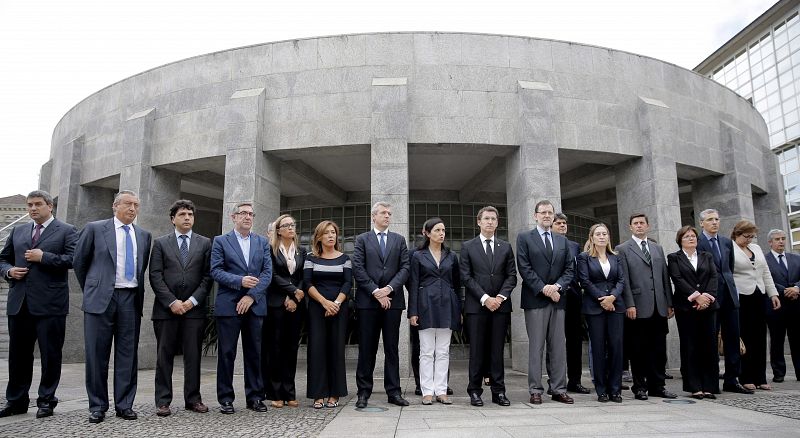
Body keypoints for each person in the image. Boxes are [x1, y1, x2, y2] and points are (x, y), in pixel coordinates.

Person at [73, 190, 152, 423]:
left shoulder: (144, 235)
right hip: (100, 300)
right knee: (97, 355)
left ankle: (124, 404)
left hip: (130, 298)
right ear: (115, 206)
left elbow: (142, 266)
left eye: (136, 205)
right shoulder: (95, 229)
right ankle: (97, 406)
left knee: (128, 355)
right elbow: (80, 262)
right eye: (128, 204)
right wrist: (93, 287)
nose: (133, 209)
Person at [0, 190, 77, 418]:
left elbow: (74, 259)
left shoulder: (67, 230)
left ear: (49, 206)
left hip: (50, 305)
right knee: (18, 356)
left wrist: (44, 257)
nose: (33, 208)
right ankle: (16, 401)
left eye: (37, 204)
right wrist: (9, 271)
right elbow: (2, 259)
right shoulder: (19, 230)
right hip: (20, 303)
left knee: (50, 355)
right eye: (30, 205)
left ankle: (46, 401)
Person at [148, 200, 212, 416]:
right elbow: (155, 275)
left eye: (190, 214)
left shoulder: (205, 243)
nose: (187, 218)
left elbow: (207, 277)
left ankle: (193, 399)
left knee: (193, 356)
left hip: (194, 310)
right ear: (172, 218)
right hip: (166, 310)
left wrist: (191, 301)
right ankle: (163, 401)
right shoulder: (160, 243)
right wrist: (172, 302)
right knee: (164, 355)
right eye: (183, 214)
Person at [210, 202, 271, 414]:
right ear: (233, 217)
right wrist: (240, 281)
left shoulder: (262, 242)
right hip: (229, 305)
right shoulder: (220, 241)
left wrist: (252, 296)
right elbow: (215, 271)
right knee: (227, 353)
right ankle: (226, 399)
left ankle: (255, 397)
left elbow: (267, 273)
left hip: (254, 306)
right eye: (243, 213)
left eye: (250, 213)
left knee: (255, 353)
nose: (247, 217)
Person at [352, 201, 410, 408]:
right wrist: (376, 291)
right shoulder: (362, 239)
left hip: (393, 302)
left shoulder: (399, 240)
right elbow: (357, 268)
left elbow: (405, 268)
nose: (387, 216)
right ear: (373, 216)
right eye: (383, 213)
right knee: (367, 348)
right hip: (368, 302)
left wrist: (389, 289)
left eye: (389, 213)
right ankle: (363, 392)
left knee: (392, 348)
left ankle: (393, 392)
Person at [516, 200, 575, 405]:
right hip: (535, 300)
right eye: (543, 213)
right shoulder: (524, 238)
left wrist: (557, 287)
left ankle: (559, 389)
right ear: (535, 216)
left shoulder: (562, 241)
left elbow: (569, 270)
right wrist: (544, 289)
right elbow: (524, 267)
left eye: (550, 212)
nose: (547, 216)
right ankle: (535, 390)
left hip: (558, 300)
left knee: (558, 347)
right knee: (536, 347)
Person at [460, 206, 516, 407]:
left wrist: (499, 298)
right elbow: (466, 276)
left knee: (497, 350)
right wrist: (485, 298)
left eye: (493, 219)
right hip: (477, 307)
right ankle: (475, 391)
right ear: (478, 222)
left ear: (497, 223)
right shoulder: (468, 246)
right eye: (486, 218)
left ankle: (498, 391)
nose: (490, 222)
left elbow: (511, 276)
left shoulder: (505, 247)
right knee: (477, 350)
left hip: (500, 307)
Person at [616, 213, 676, 400]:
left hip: (659, 306)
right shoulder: (623, 249)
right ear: (630, 227)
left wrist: (669, 302)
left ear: (648, 226)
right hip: (637, 307)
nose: (639, 226)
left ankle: (658, 386)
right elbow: (623, 279)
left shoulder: (657, 248)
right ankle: (640, 387)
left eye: (642, 223)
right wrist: (630, 304)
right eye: (636, 223)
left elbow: (664, 277)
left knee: (658, 349)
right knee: (638, 350)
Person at [696, 209, 752, 394]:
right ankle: (711, 381)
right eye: (710, 220)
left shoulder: (727, 242)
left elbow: (729, 268)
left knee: (733, 338)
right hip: (710, 296)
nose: (714, 223)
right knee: (710, 339)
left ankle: (732, 379)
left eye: (717, 219)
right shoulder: (697, 242)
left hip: (729, 295)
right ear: (701, 223)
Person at [409, 218, 461, 405]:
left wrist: (458, 308)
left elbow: (457, 284)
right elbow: (413, 284)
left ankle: (441, 390)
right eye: (437, 230)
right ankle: (427, 391)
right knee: (426, 351)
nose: (442, 233)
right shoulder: (417, 256)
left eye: (443, 230)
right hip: (425, 305)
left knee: (443, 351)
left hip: (447, 304)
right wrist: (412, 312)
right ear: (428, 233)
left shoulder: (451, 256)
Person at [667, 225, 720, 399]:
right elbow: (677, 278)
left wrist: (707, 297)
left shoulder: (707, 256)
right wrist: (696, 296)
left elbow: (713, 276)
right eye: (687, 236)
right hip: (686, 308)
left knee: (709, 346)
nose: (691, 238)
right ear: (680, 240)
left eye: (693, 236)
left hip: (708, 307)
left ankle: (709, 386)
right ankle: (694, 386)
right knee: (690, 346)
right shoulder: (674, 258)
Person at [304, 220, 351, 409]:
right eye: (327, 233)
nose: (331, 235)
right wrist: (324, 302)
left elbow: (347, 283)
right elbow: (307, 283)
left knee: (336, 349)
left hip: (339, 309)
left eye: (333, 232)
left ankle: (334, 393)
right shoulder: (310, 258)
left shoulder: (345, 258)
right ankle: (318, 394)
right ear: (319, 237)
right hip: (317, 309)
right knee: (317, 349)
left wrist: (336, 303)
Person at [730, 220, 781, 391]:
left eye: (752, 236)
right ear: (737, 234)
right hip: (741, 297)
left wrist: (773, 293)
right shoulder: (730, 248)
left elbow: (765, 272)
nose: (749, 239)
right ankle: (746, 377)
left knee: (760, 336)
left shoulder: (757, 248)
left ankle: (761, 377)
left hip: (759, 295)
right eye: (746, 236)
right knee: (746, 336)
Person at [577, 223, 625, 403]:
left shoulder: (616, 257)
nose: (602, 237)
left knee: (616, 348)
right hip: (594, 308)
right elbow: (585, 281)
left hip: (616, 306)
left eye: (605, 234)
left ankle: (615, 389)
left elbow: (621, 280)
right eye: (598, 234)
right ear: (592, 238)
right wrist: (603, 300)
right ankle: (601, 389)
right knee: (598, 349)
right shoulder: (584, 258)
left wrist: (612, 297)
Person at [263, 214, 305, 408]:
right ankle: (275, 392)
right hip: (275, 304)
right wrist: (292, 291)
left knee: (291, 348)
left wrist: (295, 296)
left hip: (295, 305)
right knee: (275, 348)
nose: (291, 228)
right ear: (278, 230)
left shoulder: (301, 251)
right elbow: (272, 275)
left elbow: (303, 276)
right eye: (286, 225)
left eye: (293, 225)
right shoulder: (270, 250)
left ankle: (290, 392)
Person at [552, 212, 591, 395]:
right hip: (553, 298)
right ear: (551, 226)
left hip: (574, 298)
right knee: (553, 341)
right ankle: (554, 382)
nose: (562, 226)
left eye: (564, 223)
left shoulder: (574, 246)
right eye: (558, 223)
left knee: (574, 341)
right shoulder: (547, 243)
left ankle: (574, 381)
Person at [764, 229, 800, 383]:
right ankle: (779, 373)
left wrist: (797, 288)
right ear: (770, 242)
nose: (781, 242)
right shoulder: (764, 260)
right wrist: (784, 290)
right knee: (777, 340)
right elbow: (766, 279)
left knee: (797, 339)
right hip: (776, 305)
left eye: (783, 238)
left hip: (796, 305)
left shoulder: (796, 258)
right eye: (777, 239)